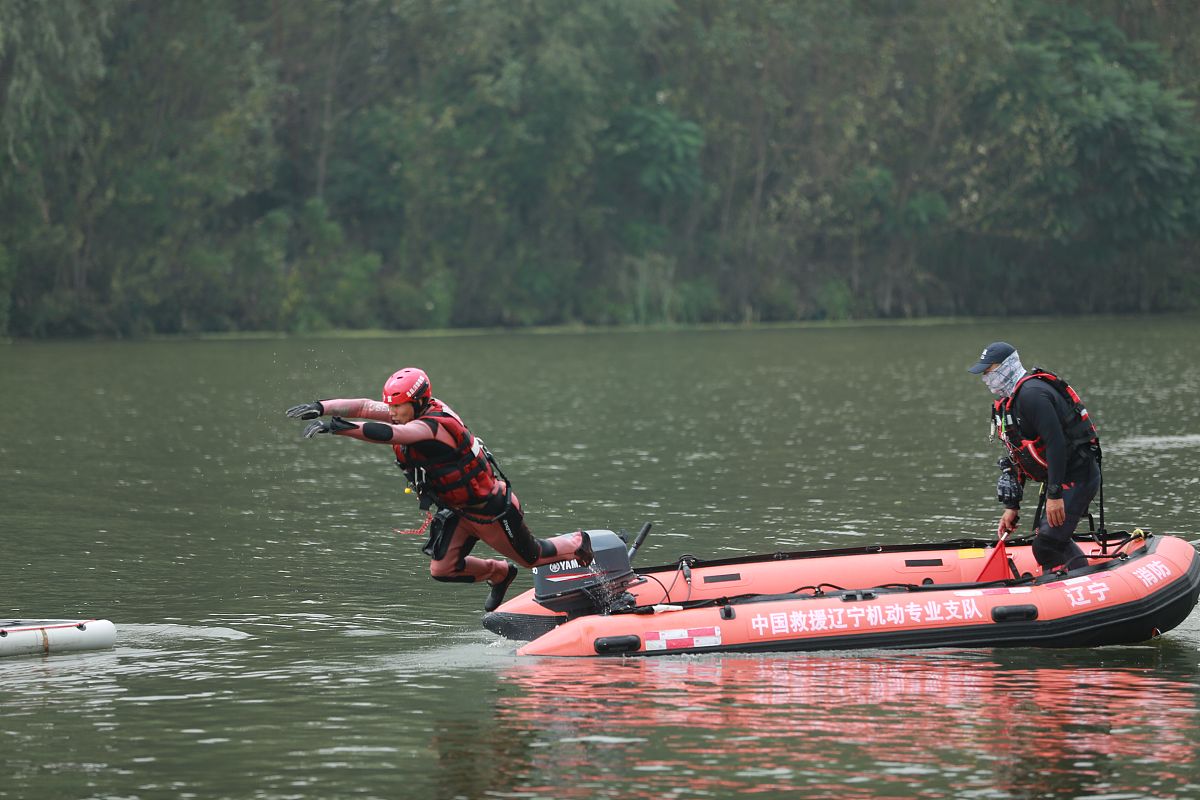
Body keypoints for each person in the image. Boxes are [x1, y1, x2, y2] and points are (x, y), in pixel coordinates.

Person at [285, 368, 592, 611]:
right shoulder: (407, 411)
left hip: (490, 510)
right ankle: (500, 573)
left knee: (533, 557)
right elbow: (365, 406)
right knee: (443, 569)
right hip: (458, 511)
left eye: (398, 406)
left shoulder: (432, 426)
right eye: (390, 405)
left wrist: (339, 428)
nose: (391, 411)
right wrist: (320, 407)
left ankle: (581, 543)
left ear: (417, 402)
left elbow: (393, 434)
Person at [968, 342, 1101, 572]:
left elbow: (1056, 444)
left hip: (1078, 476)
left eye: (989, 370)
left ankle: (1078, 587)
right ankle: (1068, 577)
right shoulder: (1008, 403)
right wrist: (1013, 506)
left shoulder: (1032, 395)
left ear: (1006, 366)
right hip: (1058, 479)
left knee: (1046, 545)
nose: (986, 377)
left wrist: (1055, 494)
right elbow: (1019, 454)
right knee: (1050, 540)